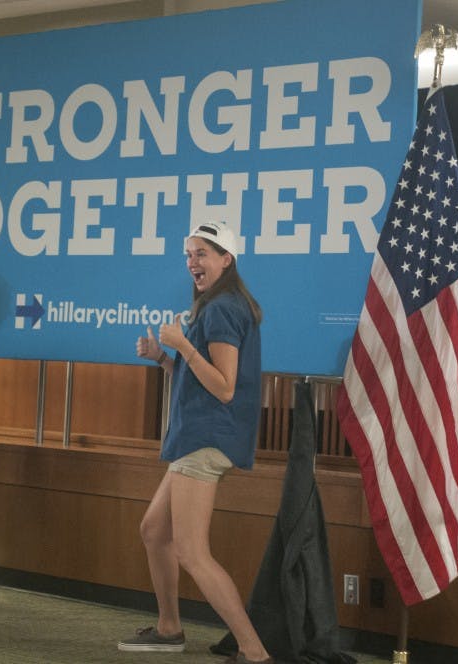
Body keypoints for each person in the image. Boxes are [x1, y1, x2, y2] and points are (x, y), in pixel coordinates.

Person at [118, 222, 271, 664]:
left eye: (202, 253)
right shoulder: (216, 305)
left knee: (191, 552)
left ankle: (254, 651)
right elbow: (202, 382)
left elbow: (223, 388)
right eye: (189, 254)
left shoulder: (222, 308)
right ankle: (169, 629)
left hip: (206, 440)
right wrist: (165, 357)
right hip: (195, 436)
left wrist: (182, 346)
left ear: (227, 259)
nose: (192, 262)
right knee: (154, 530)